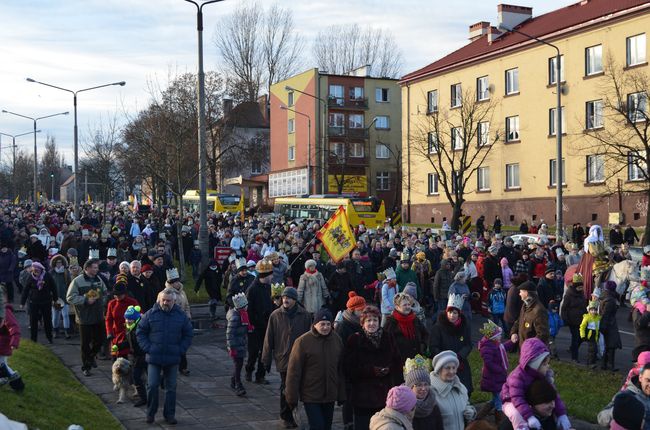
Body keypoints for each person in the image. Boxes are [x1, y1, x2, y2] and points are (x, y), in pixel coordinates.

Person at [137, 288, 193, 425]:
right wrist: (148, 348)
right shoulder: (150, 314)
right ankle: (150, 413)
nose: (165, 303)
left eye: (168, 301)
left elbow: (188, 334)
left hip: (172, 358)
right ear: (159, 300)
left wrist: (180, 349)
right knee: (152, 385)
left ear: (174, 301)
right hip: (154, 357)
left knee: (171, 388)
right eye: (163, 300)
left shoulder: (181, 316)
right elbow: (140, 332)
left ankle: (169, 415)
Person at [344, 305, 402, 430]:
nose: (372, 323)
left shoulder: (388, 337)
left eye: (375, 320)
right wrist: (371, 370)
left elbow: (397, 361)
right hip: (363, 396)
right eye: (368, 320)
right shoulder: (355, 339)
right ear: (363, 323)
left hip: (385, 395)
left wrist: (389, 369)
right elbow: (349, 368)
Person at [286, 308, 346, 430]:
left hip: (330, 394)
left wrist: (341, 394)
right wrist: (291, 397)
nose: (325, 327)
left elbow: (341, 369)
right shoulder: (302, 342)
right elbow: (293, 371)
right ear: (315, 324)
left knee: (327, 427)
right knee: (317, 426)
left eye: (328, 324)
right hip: (311, 394)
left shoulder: (336, 340)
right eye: (322, 324)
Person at [262, 287, 312, 429]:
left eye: (288, 298)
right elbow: (268, 338)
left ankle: (295, 410)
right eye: (284, 297)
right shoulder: (275, 315)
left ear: (295, 300)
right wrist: (265, 359)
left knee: (300, 387)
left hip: (300, 358)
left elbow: (310, 336)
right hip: (283, 357)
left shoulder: (305, 315)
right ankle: (286, 416)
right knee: (286, 387)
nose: (285, 300)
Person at [500, 338, 570, 430]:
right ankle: (521, 428)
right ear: (535, 364)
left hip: (528, 402)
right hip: (510, 399)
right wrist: (530, 417)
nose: (548, 366)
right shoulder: (517, 377)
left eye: (548, 363)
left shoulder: (542, 375)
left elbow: (553, 395)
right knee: (515, 414)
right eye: (545, 364)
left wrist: (562, 414)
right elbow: (517, 397)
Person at [66, 259, 108, 376]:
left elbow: (105, 292)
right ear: (87, 268)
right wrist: (85, 300)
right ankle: (86, 367)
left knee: (100, 340)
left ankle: (91, 356)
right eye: (94, 268)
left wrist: (102, 301)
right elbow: (69, 297)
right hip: (84, 318)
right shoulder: (77, 281)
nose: (97, 270)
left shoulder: (99, 280)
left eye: (97, 268)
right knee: (85, 343)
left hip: (98, 315)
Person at [429, 293, 473, 396]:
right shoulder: (438, 328)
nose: (452, 315)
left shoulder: (464, 326)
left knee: (463, 389)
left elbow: (468, 344)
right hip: (443, 364)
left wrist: (459, 355)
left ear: (459, 314)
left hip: (460, 363)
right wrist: (446, 357)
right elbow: (433, 346)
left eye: (455, 313)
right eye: (450, 313)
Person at [477, 320, 515, 424]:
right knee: (499, 401)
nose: (501, 337)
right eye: (499, 335)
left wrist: (512, 342)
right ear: (493, 337)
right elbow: (488, 363)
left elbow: (503, 347)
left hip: (497, 378)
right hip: (493, 378)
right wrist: (500, 369)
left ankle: (479, 417)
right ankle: (499, 422)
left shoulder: (495, 344)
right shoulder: (488, 347)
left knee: (496, 398)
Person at [429, 350, 476, 430]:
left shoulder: (461, 388)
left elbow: (467, 405)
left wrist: (470, 412)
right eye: (447, 368)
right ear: (439, 370)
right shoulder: (431, 392)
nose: (452, 371)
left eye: (454, 368)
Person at [245, 259, 274, 384]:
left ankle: (260, 375)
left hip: (266, 325)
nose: (272, 276)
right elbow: (249, 310)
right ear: (265, 275)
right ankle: (249, 370)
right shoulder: (252, 289)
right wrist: (254, 322)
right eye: (270, 274)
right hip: (255, 326)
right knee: (253, 352)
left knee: (265, 351)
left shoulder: (269, 287)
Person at [111, 305, 147, 407]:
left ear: (136, 319)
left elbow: (140, 344)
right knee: (138, 376)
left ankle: (144, 397)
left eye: (130, 319)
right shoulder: (130, 329)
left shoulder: (140, 329)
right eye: (126, 318)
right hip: (136, 355)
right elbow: (128, 342)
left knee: (138, 376)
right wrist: (118, 346)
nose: (127, 320)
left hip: (143, 355)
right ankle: (143, 396)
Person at [598, 363, 650, 428]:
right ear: (640, 378)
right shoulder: (627, 397)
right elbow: (601, 417)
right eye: (648, 380)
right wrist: (617, 411)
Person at [498, 379, 566, 430]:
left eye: (553, 400)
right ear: (532, 404)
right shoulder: (513, 425)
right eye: (547, 402)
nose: (553, 405)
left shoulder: (550, 417)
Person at [384, 292, 428, 364]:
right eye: (404, 305)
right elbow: (386, 342)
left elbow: (425, 334)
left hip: (417, 359)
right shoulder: (391, 322)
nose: (408, 307)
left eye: (408, 304)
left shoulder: (415, 319)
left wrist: (423, 345)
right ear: (397, 307)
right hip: (399, 362)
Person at [403, 355, 444, 430]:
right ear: (410, 387)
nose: (423, 388)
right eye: (418, 385)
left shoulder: (433, 406)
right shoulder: (403, 408)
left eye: (426, 384)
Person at [21, 261, 57, 343]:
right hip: (34, 302)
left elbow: (53, 288)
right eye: (34, 270)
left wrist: (55, 299)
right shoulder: (30, 277)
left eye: (37, 270)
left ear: (41, 269)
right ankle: (33, 339)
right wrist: (22, 302)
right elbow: (26, 290)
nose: (35, 272)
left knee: (47, 320)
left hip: (46, 301)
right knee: (33, 321)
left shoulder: (47, 276)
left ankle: (49, 337)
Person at [105, 280, 139, 360]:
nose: (117, 297)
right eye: (115, 295)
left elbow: (139, 315)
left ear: (124, 294)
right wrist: (109, 332)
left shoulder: (132, 302)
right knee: (114, 356)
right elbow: (108, 319)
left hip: (128, 334)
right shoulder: (111, 303)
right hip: (115, 334)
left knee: (126, 357)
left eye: (119, 295)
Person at [226, 292, 252, 397]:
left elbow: (245, 326)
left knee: (239, 364)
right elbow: (229, 333)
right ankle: (238, 385)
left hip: (240, 343)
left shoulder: (243, 315)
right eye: (246, 305)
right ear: (241, 307)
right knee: (238, 365)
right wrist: (232, 347)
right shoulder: (235, 318)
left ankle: (233, 380)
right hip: (236, 345)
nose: (247, 307)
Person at [0, 285, 24, 391]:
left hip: (3, 343)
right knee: (2, 365)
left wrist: (14, 341)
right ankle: (3, 379)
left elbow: (14, 326)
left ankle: (18, 385)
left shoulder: (5, 311)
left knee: (3, 366)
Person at [510, 280, 549, 346]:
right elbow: (519, 320)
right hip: (524, 349)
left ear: (526, 293)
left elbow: (543, 334)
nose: (519, 294)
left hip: (532, 351)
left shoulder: (539, 310)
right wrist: (514, 332)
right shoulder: (525, 305)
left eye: (521, 292)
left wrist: (530, 347)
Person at [561, 273, 588, 362]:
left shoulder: (581, 294)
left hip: (582, 320)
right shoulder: (569, 295)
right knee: (575, 338)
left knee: (582, 337)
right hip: (572, 320)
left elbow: (584, 305)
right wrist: (566, 319)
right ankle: (574, 358)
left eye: (581, 287)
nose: (581, 289)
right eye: (579, 287)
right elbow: (564, 308)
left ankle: (572, 348)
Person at [600, 281, 622, 371]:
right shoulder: (610, 300)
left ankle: (604, 365)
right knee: (611, 345)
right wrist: (603, 327)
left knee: (609, 345)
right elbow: (606, 315)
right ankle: (609, 365)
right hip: (609, 324)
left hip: (608, 324)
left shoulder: (606, 296)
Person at [50, 254, 72, 339]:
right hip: (55, 297)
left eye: (60, 262)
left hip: (64, 296)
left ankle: (67, 331)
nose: (59, 264)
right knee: (55, 316)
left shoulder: (66, 272)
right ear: (54, 263)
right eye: (57, 262)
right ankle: (55, 330)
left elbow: (69, 284)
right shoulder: (51, 272)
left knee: (65, 315)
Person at [580, 300, 602, 367]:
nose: (593, 312)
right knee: (591, 350)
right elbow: (582, 327)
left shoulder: (598, 318)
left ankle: (593, 362)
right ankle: (590, 363)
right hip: (590, 336)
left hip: (596, 336)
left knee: (595, 350)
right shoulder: (587, 318)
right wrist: (583, 335)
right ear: (589, 310)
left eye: (594, 310)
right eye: (591, 310)